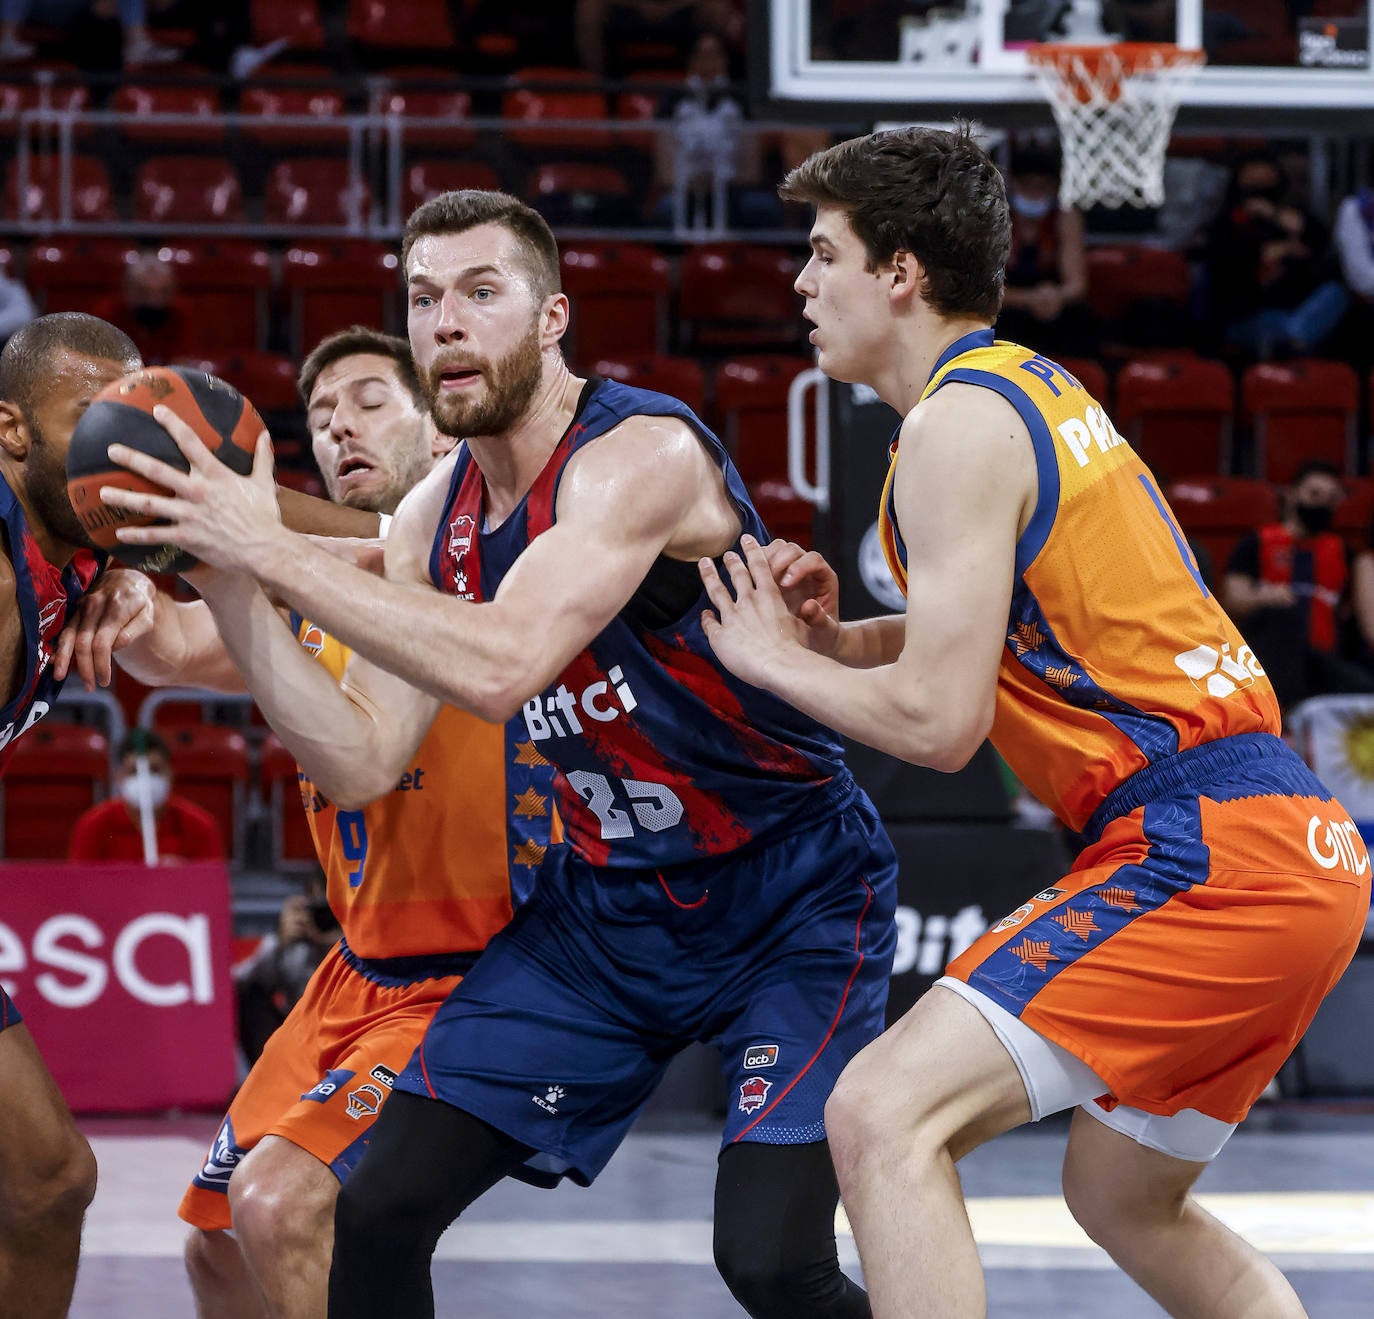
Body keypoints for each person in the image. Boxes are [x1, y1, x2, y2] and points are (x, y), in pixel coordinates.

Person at [98, 189, 898, 1319]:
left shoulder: (641, 453)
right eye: (423, 300)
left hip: (789, 895)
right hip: (608, 912)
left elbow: (503, 663)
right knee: (370, 1209)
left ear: (553, 315)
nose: (446, 324)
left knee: (769, 1262)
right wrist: (230, 577)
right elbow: (364, 760)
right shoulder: (436, 518)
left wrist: (259, 540)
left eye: (481, 293)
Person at [693, 125, 1370, 1319]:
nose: (801, 283)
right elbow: (1015, 630)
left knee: (881, 1108)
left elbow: (940, 723)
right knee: (1122, 1194)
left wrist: (763, 661)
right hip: (1295, 846)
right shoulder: (1031, 389)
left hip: (1202, 843)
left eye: (822, 253)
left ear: (899, 271)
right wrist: (841, 643)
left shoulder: (953, 426)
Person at [63, 323, 557, 1319]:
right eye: (321, 416)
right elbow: (175, 643)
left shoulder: (498, 554)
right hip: (358, 971)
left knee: (285, 1207)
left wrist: (248, 529)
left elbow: (357, 565)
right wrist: (127, 587)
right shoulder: (311, 595)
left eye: (372, 399)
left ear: (440, 427)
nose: (341, 426)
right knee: (215, 1243)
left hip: (485, 974)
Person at [1223, 459, 1371, 707]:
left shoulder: (1344, 552)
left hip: (1325, 661)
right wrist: (1263, 597)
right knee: (1284, 620)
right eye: (1314, 493)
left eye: (1331, 498)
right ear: (1292, 495)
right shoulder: (1257, 542)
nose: (1322, 503)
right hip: (1268, 659)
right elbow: (1232, 599)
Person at [1204, 150, 1348, 360]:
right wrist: (1274, 250)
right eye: (1253, 183)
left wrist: (1275, 216)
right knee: (1278, 325)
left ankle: (1292, 341)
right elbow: (1227, 276)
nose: (1261, 191)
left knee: (1336, 294)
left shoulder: (1292, 217)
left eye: (1267, 182)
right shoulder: (1226, 225)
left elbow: (1320, 249)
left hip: (1300, 311)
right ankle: (1294, 343)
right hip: (1249, 317)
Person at [994, 140, 1095, 358]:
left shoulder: (1065, 217)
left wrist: (1054, 296)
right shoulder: (993, 219)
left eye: (1041, 187)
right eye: (1027, 186)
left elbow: (1077, 285)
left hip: (1054, 306)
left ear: (1054, 187)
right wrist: (1032, 299)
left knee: (1079, 322)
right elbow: (984, 291)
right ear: (1012, 185)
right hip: (1008, 309)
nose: (1033, 194)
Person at [68, 725, 223, 862]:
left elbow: (211, 888)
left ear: (171, 773)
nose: (145, 779)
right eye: (134, 771)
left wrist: (183, 877)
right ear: (118, 776)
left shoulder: (200, 825)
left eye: (154, 770)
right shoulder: (92, 825)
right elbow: (80, 888)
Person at [91, 250, 198, 368]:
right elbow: (103, 367)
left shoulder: (180, 313)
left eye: (163, 292)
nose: (153, 301)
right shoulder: (108, 313)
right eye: (144, 293)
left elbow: (182, 365)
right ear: (128, 290)